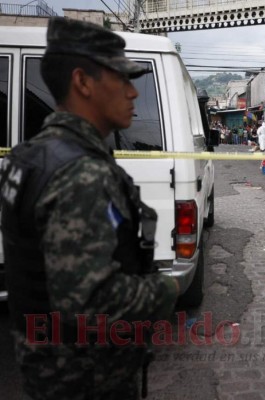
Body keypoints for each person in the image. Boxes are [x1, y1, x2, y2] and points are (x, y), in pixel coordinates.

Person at [0, 17, 180, 399]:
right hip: (86, 379)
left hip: (47, 369)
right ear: (82, 82)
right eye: (122, 78)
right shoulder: (81, 174)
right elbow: (92, 304)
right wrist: (166, 289)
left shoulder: (29, 156)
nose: (133, 93)